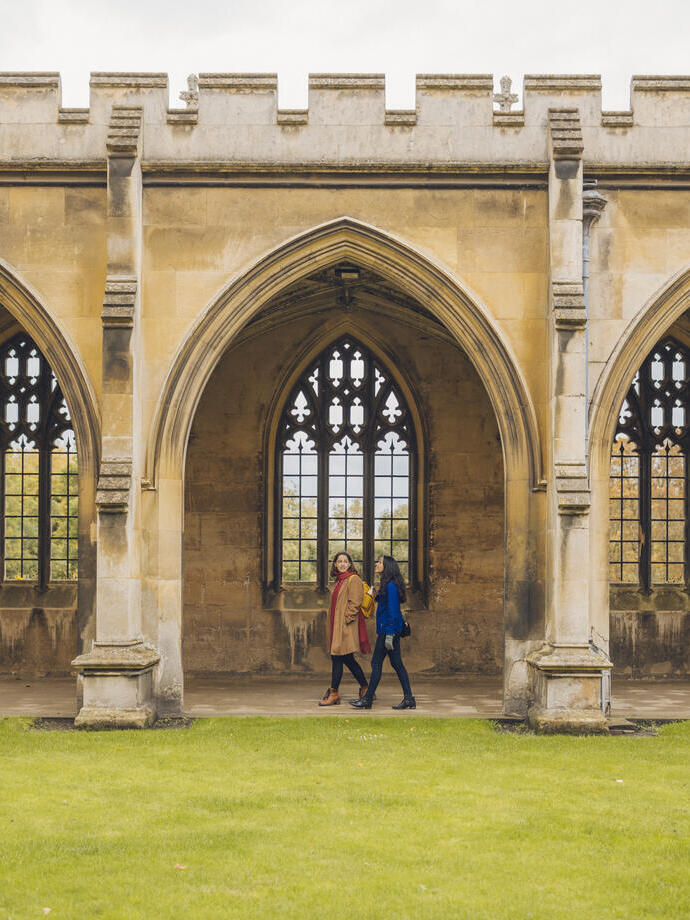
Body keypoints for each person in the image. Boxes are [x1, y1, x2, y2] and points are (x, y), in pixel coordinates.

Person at [349, 555, 415, 710]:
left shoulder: (391, 586)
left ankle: (367, 700)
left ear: (387, 566)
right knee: (397, 664)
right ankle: (409, 698)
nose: (376, 564)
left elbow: (393, 611)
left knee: (376, 663)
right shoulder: (388, 585)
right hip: (389, 629)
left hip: (388, 631)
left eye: (379, 562)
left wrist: (390, 635)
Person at [319, 551, 371, 706]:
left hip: (345, 627)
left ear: (350, 564)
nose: (342, 564)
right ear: (335, 564)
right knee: (347, 659)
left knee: (338, 658)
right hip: (337, 627)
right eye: (339, 561)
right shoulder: (339, 581)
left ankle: (334, 693)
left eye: (345, 561)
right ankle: (365, 687)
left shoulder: (353, 579)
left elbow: (355, 602)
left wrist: (346, 621)